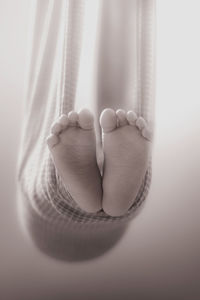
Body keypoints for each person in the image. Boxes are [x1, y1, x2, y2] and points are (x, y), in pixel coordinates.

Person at [17, 0, 155, 261]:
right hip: (62, 228)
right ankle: (80, 186)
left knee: (44, 205)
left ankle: (73, 189)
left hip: (97, 234)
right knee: (32, 200)